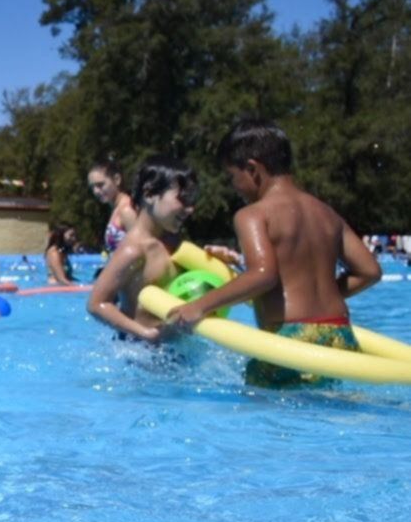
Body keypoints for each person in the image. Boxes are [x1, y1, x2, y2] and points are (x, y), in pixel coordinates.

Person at [166, 119, 382, 385]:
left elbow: (263, 275)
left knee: (260, 404)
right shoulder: (327, 213)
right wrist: (321, 296)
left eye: (232, 177)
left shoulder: (252, 215)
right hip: (340, 334)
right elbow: (370, 271)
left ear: (252, 169)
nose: (234, 187)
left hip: (291, 339)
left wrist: (199, 306)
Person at [86, 155, 197, 343]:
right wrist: (146, 334)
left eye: (191, 201)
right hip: (140, 350)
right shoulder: (134, 250)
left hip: (169, 348)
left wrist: (217, 257)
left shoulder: (172, 242)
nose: (190, 209)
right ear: (149, 194)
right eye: (183, 199)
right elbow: (96, 304)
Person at [87, 157, 138, 254]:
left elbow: (142, 247)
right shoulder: (116, 209)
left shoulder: (127, 210)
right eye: (92, 187)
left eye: (100, 185)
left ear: (117, 179)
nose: (96, 191)